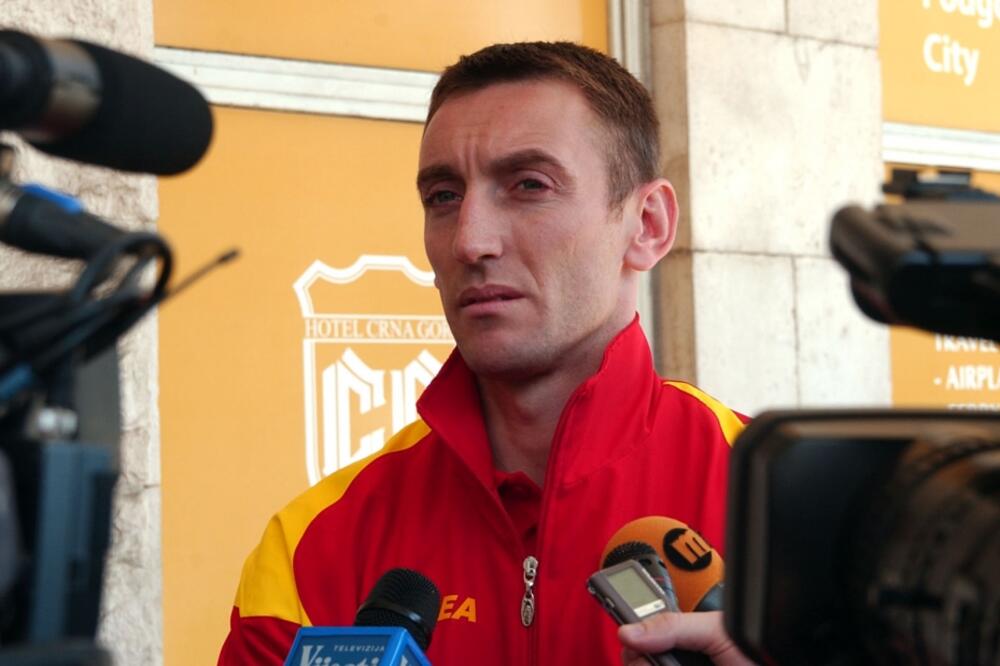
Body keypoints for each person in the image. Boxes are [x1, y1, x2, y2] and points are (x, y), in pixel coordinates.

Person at [218, 41, 751, 665]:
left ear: (648, 224)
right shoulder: (310, 548)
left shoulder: (778, 506)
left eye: (529, 185)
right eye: (443, 196)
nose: (470, 241)